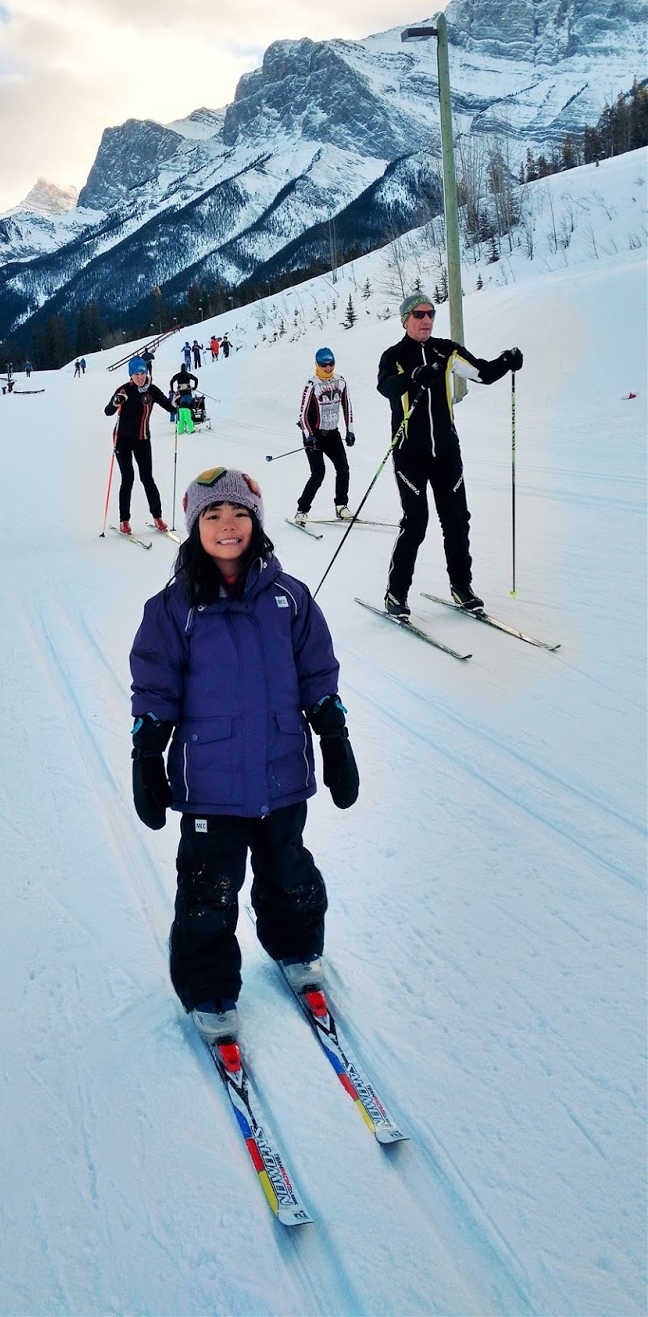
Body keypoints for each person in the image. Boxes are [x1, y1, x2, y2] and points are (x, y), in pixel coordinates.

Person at [129, 467, 360, 1043]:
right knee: (208, 889)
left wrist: (334, 734)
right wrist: (147, 751)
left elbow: (317, 671)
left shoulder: (290, 598)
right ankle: (207, 984)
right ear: (195, 526)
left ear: (255, 523)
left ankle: (297, 947)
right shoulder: (173, 608)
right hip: (210, 784)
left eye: (239, 514)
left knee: (289, 871)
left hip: (282, 774)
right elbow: (155, 686)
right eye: (213, 515)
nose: (228, 525)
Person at [377, 294, 523, 617]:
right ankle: (396, 593)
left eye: (431, 313)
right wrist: (413, 377)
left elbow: (483, 373)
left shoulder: (446, 351)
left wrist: (506, 361)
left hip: (446, 453)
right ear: (405, 320)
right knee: (416, 523)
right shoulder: (395, 356)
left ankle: (461, 587)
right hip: (409, 455)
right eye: (419, 314)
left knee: (457, 521)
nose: (427, 320)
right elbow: (386, 386)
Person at [105, 358, 174, 533]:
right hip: (122, 440)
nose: (140, 377)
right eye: (136, 374)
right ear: (131, 375)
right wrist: (116, 402)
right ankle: (124, 520)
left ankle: (158, 517)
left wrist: (177, 404)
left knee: (147, 478)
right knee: (128, 478)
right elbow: (108, 411)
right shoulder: (124, 390)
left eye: (142, 373)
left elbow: (169, 406)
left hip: (142, 439)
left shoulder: (152, 390)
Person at [293, 347, 354, 526]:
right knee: (318, 473)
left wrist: (350, 430)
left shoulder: (341, 381)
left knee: (343, 469)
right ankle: (302, 510)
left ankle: (341, 506)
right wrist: (309, 435)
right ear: (317, 364)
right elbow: (302, 414)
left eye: (331, 363)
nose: (328, 367)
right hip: (314, 436)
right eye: (324, 364)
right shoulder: (312, 384)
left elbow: (347, 406)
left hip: (333, 433)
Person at [169, 366, 198, 433]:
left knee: (181, 409)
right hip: (188, 393)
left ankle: (180, 428)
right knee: (187, 409)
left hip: (180, 394)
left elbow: (171, 381)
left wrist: (172, 390)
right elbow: (196, 379)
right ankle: (190, 427)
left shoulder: (177, 375)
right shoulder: (188, 375)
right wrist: (195, 387)